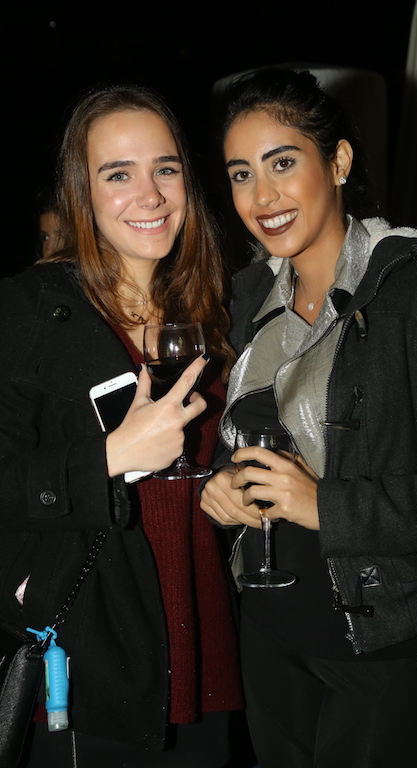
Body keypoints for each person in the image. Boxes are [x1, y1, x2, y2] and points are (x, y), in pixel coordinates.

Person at [200, 68, 417, 768]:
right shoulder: (248, 300)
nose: (262, 196)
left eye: (283, 163)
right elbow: (249, 437)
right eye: (242, 174)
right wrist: (220, 484)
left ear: (337, 161)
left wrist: (329, 507)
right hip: (267, 635)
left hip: (382, 648)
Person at [0, 85, 243, 767]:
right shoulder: (29, 311)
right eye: (118, 174)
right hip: (94, 661)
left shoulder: (212, 307)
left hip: (206, 646)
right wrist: (107, 457)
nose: (151, 195)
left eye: (166, 168)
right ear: (82, 192)